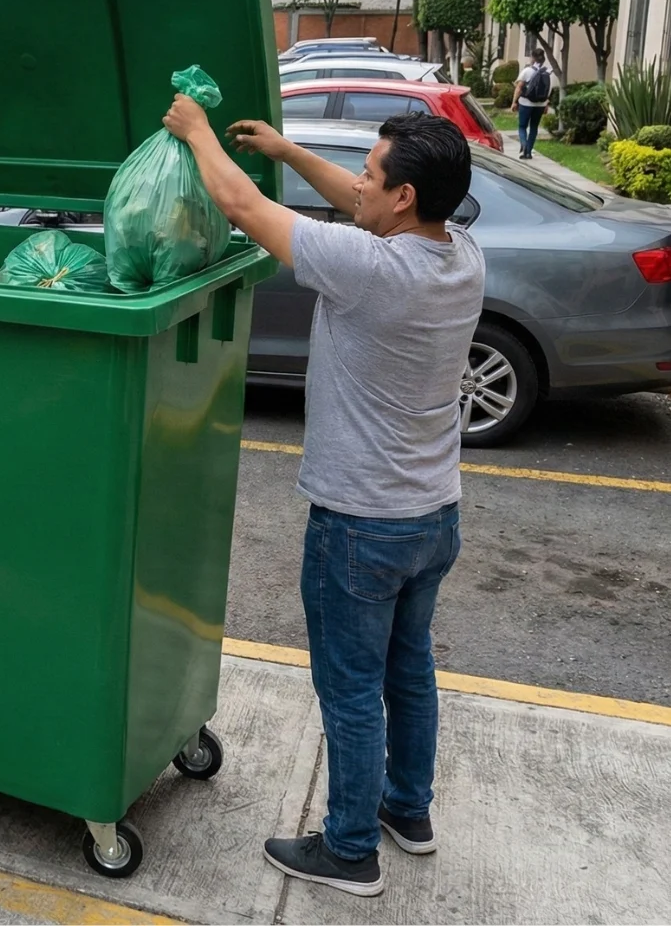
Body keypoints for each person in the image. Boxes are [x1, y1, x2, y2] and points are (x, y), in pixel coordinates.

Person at [161, 100, 484, 898]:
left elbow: (242, 206)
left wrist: (197, 131)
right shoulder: (461, 253)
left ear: (403, 197)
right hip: (433, 515)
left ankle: (348, 849)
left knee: (349, 690)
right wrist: (288, 148)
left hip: (360, 525)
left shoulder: (368, 268)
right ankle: (407, 812)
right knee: (408, 673)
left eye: (373, 176)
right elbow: (354, 199)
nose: (360, 187)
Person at [511, 48, 554, 160]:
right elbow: (548, 90)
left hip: (526, 103)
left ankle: (524, 145)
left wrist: (514, 102)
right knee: (534, 127)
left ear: (532, 58)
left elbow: (519, 87)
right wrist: (546, 104)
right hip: (540, 105)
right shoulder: (547, 72)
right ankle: (529, 152)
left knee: (522, 126)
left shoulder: (527, 71)